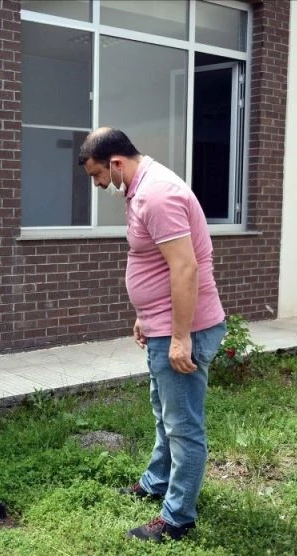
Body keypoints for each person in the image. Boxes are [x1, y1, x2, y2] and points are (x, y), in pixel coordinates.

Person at [79, 127, 226, 542]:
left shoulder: (155, 194)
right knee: (165, 413)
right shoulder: (140, 188)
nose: (98, 185)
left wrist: (181, 337)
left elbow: (185, 268)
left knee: (183, 426)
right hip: (163, 322)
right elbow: (156, 262)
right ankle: (156, 482)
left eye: (98, 176)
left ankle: (178, 517)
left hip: (185, 329)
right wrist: (146, 314)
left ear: (117, 162)